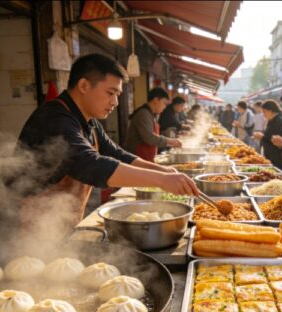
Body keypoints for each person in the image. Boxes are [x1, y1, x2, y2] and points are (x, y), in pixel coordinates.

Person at [16, 54, 198, 231]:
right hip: (29, 226)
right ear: (84, 85)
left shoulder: (89, 121)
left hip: (59, 224)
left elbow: (117, 154)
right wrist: (162, 180)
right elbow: (88, 163)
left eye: (117, 94)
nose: (115, 102)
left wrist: (163, 171)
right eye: (110, 93)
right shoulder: (55, 118)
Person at [124, 88, 181, 161]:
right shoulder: (143, 114)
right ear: (156, 100)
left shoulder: (151, 114)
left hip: (146, 157)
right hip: (137, 158)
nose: (165, 107)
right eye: (164, 103)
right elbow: (149, 138)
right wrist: (170, 141)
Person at [253, 100, 282, 169]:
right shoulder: (271, 120)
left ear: (270, 111)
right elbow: (269, 135)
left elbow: (278, 140)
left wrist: (262, 137)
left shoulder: (279, 121)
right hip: (270, 155)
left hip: (277, 156)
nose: (263, 114)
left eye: (264, 112)